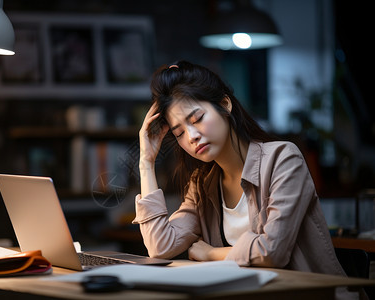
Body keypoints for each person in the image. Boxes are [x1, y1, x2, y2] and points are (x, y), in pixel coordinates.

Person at [132, 61, 358, 299]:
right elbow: (160, 247)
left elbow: (273, 252)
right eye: (179, 133)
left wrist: (211, 254)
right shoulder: (202, 184)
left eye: (197, 118)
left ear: (224, 104)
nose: (192, 136)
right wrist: (146, 162)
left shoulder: (283, 159)